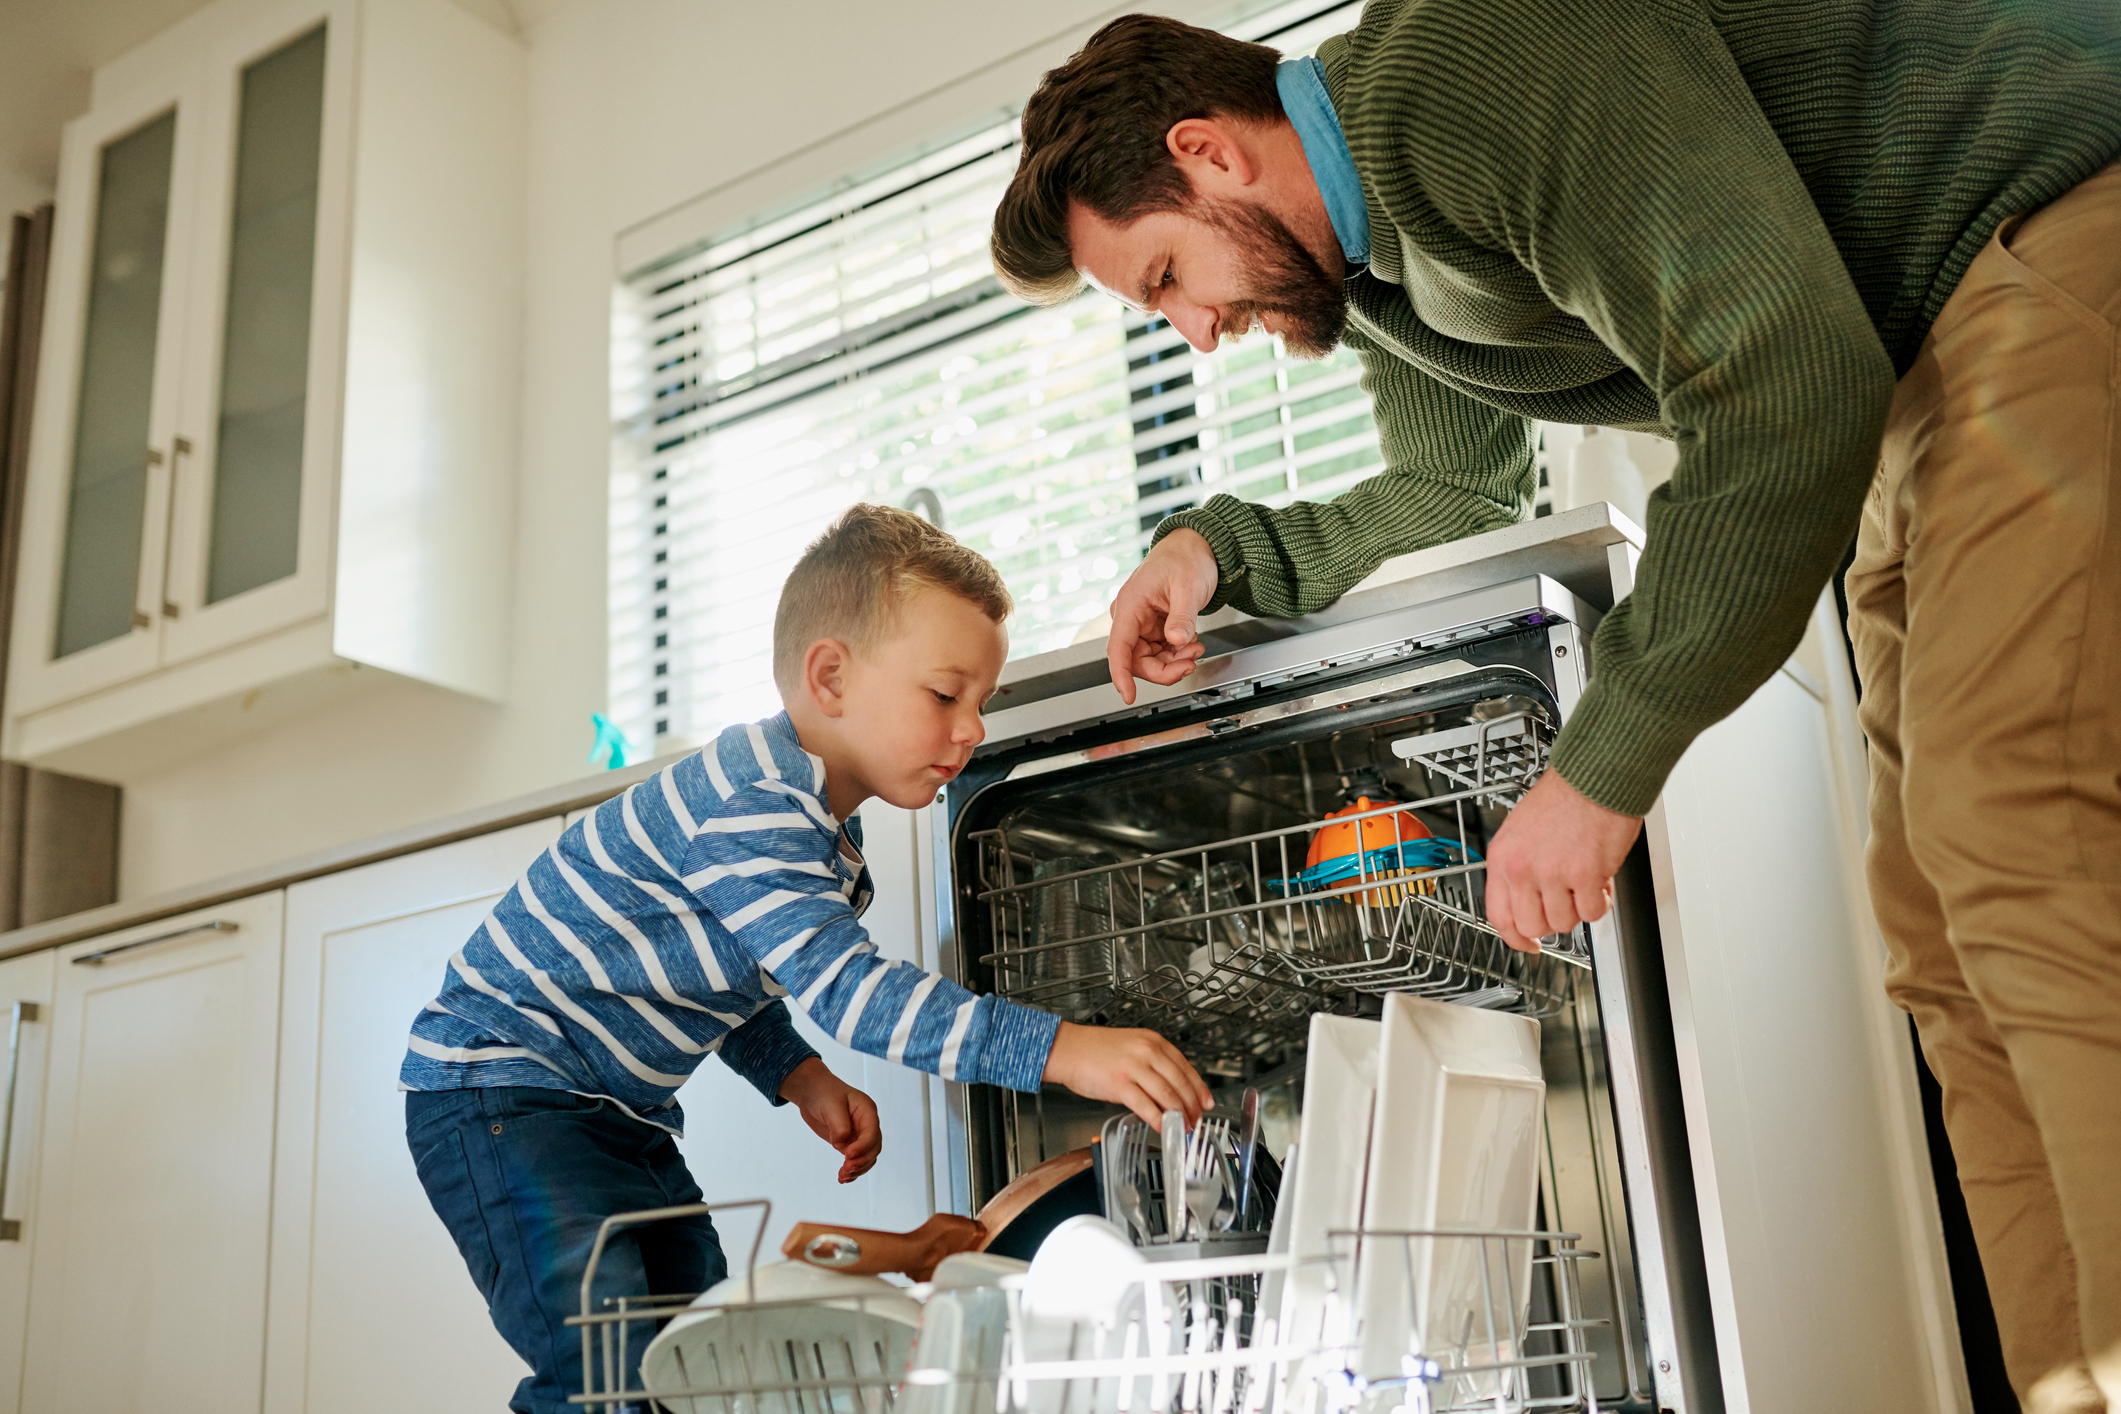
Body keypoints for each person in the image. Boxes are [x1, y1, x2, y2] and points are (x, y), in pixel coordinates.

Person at [989, 4, 2121, 1409]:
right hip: (1910, 375)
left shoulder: (1472, 61)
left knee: (2010, 829)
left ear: (1210, 150)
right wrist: (1216, 547)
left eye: (1166, 277)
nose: (1197, 333)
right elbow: (1452, 489)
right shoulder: (1383, 275)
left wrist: (1600, 768)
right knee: (1938, 938)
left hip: (2050, 221)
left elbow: (1784, 379)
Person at [400, 504, 1212, 1414]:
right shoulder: (753, 804)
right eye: (945, 696)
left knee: (694, 1352)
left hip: (610, 1113)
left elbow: (720, 963)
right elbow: (859, 994)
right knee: (604, 1369)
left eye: (978, 705)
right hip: (500, 1094)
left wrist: (797, 1074)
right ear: (830, 675)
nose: (972, 729)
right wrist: (1066, 1050)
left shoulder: (810, 822)